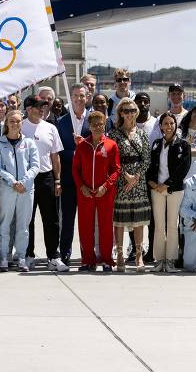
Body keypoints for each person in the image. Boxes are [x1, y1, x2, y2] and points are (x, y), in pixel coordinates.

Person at [21, 95, 67, 271]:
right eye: (38, 106)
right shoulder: (21, 126)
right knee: (27, 219)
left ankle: (53, 257)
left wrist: (57, 180)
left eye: (43, 106)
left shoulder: (50, 128)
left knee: (52, 219)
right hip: (26, 178)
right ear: (28, 108)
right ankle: (28, 255)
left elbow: (55, 156)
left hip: (47, 177)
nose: (42, 109)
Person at [0, 110, 39, 271]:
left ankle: (21, 257)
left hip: (26, 189)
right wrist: (12, 182)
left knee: (23, 225)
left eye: (18, 121)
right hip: (7, 189)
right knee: (4, 224)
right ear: (6, 123)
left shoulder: (29, 142)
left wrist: (24, 182)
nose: (15, 124)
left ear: (22, 124)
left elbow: (35, 166)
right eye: (11, 121)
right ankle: (4, 256)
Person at [73, 111, 120, 272]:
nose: (98, 127)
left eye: (101, 124)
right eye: (94, 125)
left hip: (104, 193)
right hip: (85, 193)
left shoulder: (111, 145)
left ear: (104, 125)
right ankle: (88, 260)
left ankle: (107, 260)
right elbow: (75, 169)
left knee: (105, 226)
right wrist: (82, 187)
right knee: (85, 226)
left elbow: (116, 169)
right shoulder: (82, 146)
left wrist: (106, 186)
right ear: (90, 127)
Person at [108, 97, 151, 272]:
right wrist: (126, 175)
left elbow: (147, 158)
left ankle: (139, 255)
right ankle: (119, 256)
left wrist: (136, 177)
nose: (129, 114)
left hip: (139, 182)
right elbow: (112, 160)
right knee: (120, 220)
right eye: (125, 110)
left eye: (132, 110)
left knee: (139, 221)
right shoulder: (114, 134)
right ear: (120, 113)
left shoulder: (142, 133)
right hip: (121, 181)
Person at [147, 112, 191, 273]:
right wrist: (153, 183)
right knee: (159, 225)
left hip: (174, 190)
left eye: (171, 123)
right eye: (165, 123)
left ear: (176, 125)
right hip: (156, 189)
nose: (168, 126)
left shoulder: (183, 145)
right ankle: (159, 259)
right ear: (161, 127)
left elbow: (183, 169)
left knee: (172, 225)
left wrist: (167, 184)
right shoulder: (156, 144)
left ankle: (171, 260)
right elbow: (151, 166)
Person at [56, 84, 91, 263]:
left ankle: (87, 254)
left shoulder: (94, 119)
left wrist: (84, 147)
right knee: (67, 220)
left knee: (86, 221)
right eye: (75, 95)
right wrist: (77, 153)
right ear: (71, 97)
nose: (78, 99)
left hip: (88, 180)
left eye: (82, 96)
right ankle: (65, 253)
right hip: (69, 179)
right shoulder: (62, 122)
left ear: (87, 97)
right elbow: (59, 150)